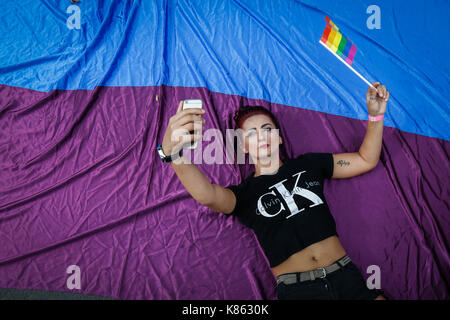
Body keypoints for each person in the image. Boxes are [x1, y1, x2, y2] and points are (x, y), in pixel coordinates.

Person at [157, 82, 389, 300]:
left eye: (267, 129)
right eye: (251, 134)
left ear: (278, 137)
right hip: (299, 291)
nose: (262, 136)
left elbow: (365, 159)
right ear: (243, 146)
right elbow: (207, 195)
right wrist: (173, 154)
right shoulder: (244, 195)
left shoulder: (309, 164)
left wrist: (376, 114)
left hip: (348, 278)